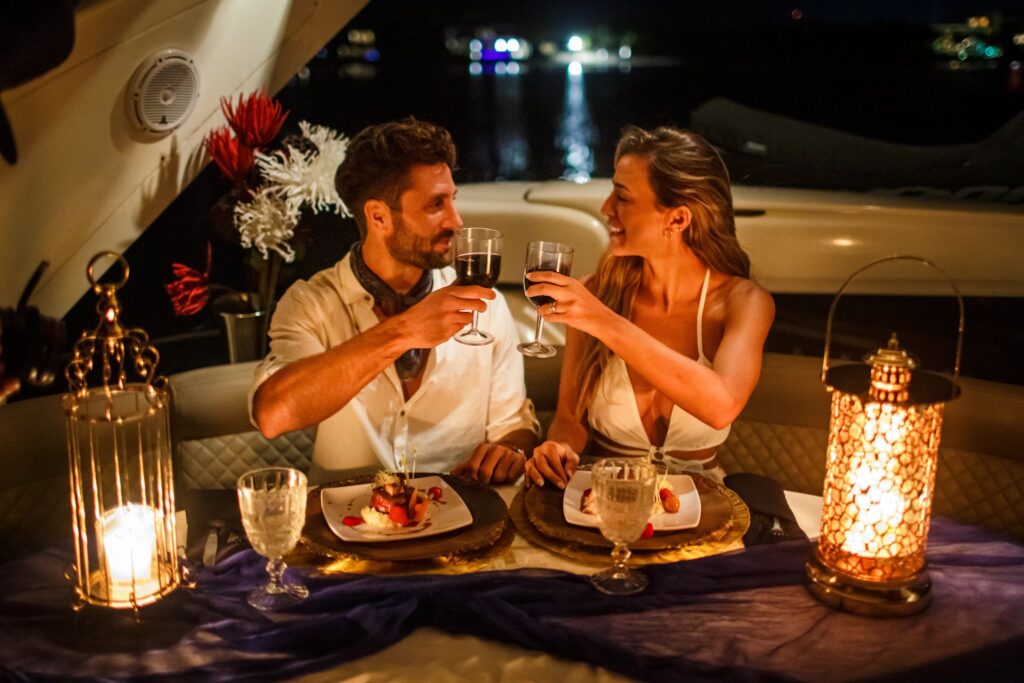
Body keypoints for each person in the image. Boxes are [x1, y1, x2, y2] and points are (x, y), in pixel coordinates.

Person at [249, 118, 539, 484]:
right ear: (378, 216)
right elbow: (274, 415)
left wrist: (511, 452)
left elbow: (515, 428)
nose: (456, 220)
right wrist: (404, 332)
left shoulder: (487, 305)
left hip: (463, 517)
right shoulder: (311, 303)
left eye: (453, 200)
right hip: (345, 525)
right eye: (436, 205)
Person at [523, 126, 774, 488]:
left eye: (622, 198)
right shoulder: (598, 292)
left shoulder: (744, 302)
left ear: (677, 219)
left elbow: (721, 406)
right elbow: (569, 418)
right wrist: (559, 448)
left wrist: (602, 321)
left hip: (701, 510)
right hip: (601, 503)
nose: (606, 208)